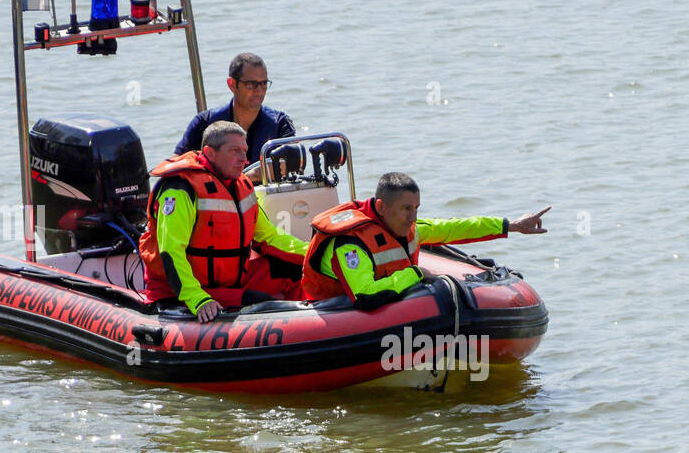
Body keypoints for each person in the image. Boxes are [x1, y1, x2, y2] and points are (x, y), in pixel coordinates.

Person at [138, 121, 307, 322]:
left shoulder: (240, 185)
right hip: (187, 289)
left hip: (229, 280)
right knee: (261, 303)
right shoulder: (180, 189)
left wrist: (313, 252)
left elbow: (268, 236)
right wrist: (198, 299)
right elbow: (171, 253)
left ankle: (319, 326)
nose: (244, 160)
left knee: (295, 270)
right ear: (209, 153)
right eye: (235, 151)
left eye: (245, 151)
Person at [301, 172, 549, 308]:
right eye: (406, 209)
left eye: (417, 208)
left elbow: (455, 228)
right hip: (334, 311)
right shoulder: (350, 244)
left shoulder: (406, 226)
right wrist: (416, 274)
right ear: (381, 207)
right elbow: (366, 296)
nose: (413, 217)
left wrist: (512, 225)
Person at [174, 53, 294, 174]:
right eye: (251, 84)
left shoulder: (280, 123)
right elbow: (176, 166)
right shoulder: (204, 122)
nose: (259, 90)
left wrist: (260, 173)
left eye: (263, 83)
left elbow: (294, 162)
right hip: (219, 192)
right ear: (231, 84)